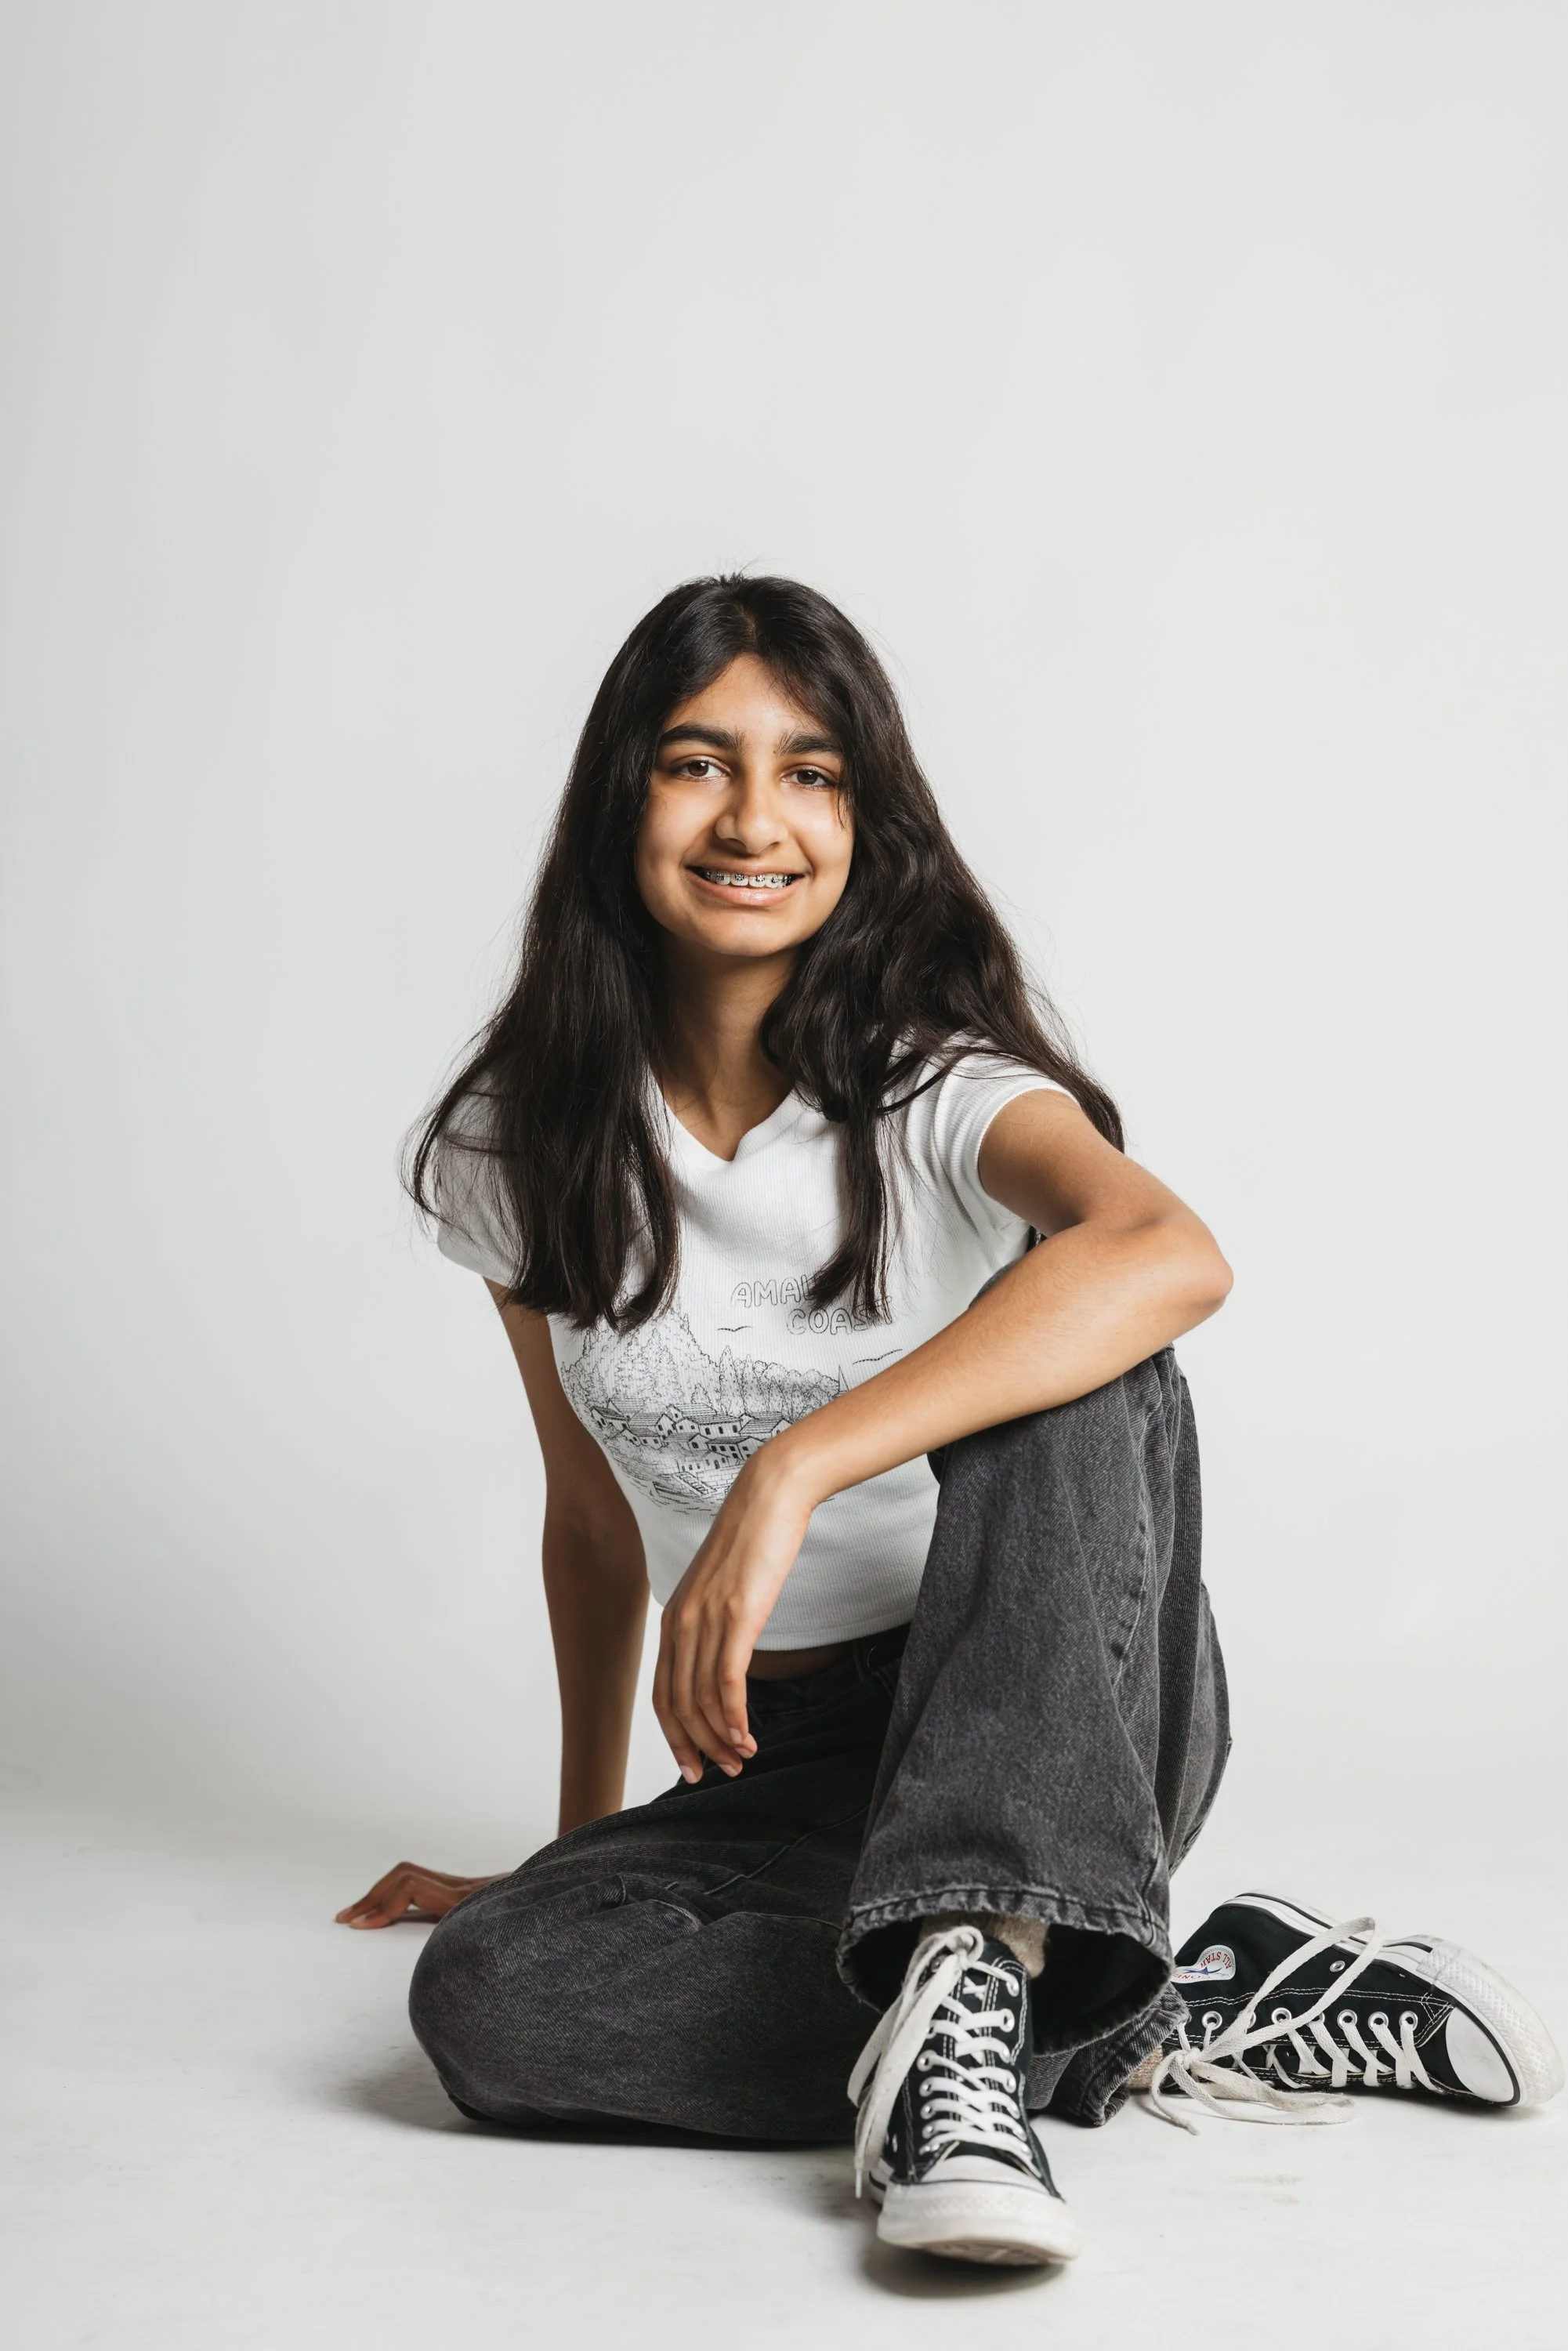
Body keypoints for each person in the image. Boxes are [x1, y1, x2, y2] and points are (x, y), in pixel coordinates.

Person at [339, 576, 1562, 2269]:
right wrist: (578, 1854)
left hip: (1051, 1699)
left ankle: (993, 1961)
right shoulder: (515, 1148)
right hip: (781, 1769)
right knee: (487, 2003)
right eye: (698, 763)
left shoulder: (932, 1087)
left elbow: (1171, 1254)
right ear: (621, 794)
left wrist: (798, 1467)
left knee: (1078, 1334)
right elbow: (592, 1517)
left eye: (814, 773)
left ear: (866, 818)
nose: (755, 818)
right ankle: (1153, 1996)